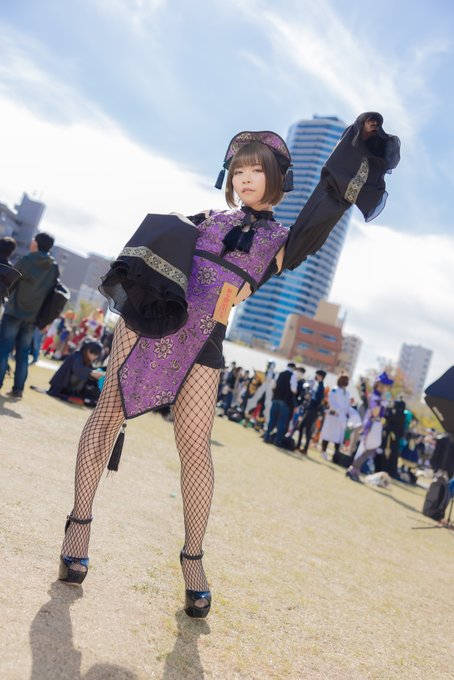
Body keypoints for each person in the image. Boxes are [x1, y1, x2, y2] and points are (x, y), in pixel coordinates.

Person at [59, 117, 400, 619]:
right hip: (152, 322)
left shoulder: (281, 242)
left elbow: (326, 203)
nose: (244, 178)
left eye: (255, 170)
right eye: (238, 170)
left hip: (207, 342)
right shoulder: (205, 218)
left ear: (274, 178)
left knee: (195, 448)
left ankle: (193, 560)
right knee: (107, 413)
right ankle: (78, 528)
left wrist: (360, 142)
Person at [0, 232, 58, 399]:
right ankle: (18, 389)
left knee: (3, 350)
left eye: (34, 240)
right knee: (23, 354)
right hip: (33, 317)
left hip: (13, 312)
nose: (31, 241)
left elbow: (10, 282)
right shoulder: (53, 267)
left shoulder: (26, 260)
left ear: (36, 244)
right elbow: (52, 293)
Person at [346, 372, 394, 481]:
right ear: (379, 385)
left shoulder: (380, 397)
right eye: (385, 385)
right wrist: (382, 402)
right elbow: (375, 413)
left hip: (377, 425)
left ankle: (354, 470)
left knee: (370, 448)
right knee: (366, 448)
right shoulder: (374, 396)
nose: (386, 388)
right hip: (371, 425)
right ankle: (353, 469)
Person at [47, 339, 105, 405]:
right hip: (61, 387)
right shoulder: (78, 356)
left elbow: (90, 369)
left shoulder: (85, 358)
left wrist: (96, 372)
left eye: (97, 355)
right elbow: (79, 370)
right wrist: (91, 372)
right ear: (88, 351)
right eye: (95, 354)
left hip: (68, 388)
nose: (95, 357)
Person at [264, 362, 297, 447]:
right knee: (282, 422)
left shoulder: (279, 373)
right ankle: (277, 440)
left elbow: (273, 386)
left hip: (275, 399)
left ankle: (266, 436)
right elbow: (293, 389)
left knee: (272, 419)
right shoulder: (293, 376)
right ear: (293, 368)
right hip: (285, 401)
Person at [320, 375, 350, 461]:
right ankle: (323, 451)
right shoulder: (335, 390)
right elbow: (331, 402)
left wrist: (346, 412)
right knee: (328, 435)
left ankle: (336, 456)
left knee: (338, 438)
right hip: (333, 416)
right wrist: (338, 410)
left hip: (341, 418)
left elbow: (347, 404)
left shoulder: (347, 392)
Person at [296, 370, 326, 454]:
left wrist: (310, 397)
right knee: (305, 428)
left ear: (320, 376)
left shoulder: (321, 387)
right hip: (311, 409)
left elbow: (318, 400)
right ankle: (302, 447)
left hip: (313, 410)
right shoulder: (318, 385)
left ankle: (302, 447)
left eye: (317, 375)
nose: (315, 376)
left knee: (304, 427)